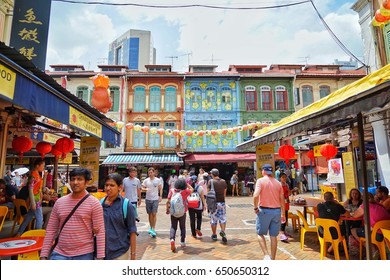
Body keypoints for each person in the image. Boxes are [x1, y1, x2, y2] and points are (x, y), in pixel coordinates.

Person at [40, 168, 105, 260]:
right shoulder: (59, 202)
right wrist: (44, 254)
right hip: (60, 253)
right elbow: (51, 230)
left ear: (86, 182)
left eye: (79, 179)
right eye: (73, 179)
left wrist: (100, 257)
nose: (75, 182)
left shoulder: (94, 203)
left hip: (84, 253)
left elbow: (100, 232)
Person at [101, 173, 137, 260]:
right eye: (106, 185)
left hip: (120, 252)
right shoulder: (100, 204)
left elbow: (132, 231)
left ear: (120, 187)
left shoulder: (126, 205)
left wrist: (133, 255)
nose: (108, 188)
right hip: (101, 253)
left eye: (112, 185)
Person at [253, 164, 285, 260]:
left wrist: (255, 207)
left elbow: (255, 195)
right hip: (276, 211)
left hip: (264, 211)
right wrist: (283, 213)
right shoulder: (278, 183)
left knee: (260, 234)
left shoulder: (260, 181)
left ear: (264, 171)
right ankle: (273, 258)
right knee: (273, 236)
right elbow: (282, 199)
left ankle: (266, 255)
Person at [16, 159, 46, 236]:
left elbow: (38, 188)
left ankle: (19, 233)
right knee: (39, 218)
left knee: (28, 217)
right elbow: (30, 189)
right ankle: (37, 236)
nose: (43, 167)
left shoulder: (37, 174)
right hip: (35, 199)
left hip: (37, 198)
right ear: (37, 166)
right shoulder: (33, 175)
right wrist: (33, 202)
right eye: (43, 165)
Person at [166, 178, 192, 252]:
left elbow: (168, 201)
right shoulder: (185, 192)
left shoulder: (172, 190)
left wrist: (167, 209)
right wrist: (187, 184)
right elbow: (192, 189)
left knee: (173, 227)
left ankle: (172, 239)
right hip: (182, 212)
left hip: (173, 212)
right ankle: (182, 242)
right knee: (182, 227)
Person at [207, 168, 228, 243]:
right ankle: (222, 231)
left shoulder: (211, 181)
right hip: (222, 202)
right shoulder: (223, 181)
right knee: (222, 218)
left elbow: (208, 193)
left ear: (212, 174)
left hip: (213, 203)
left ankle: (214, 234)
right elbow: (224, 193)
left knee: (213, 220)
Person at [141, 167, 162, 238]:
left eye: (151, 172)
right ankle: (150, 227)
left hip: (155, 199)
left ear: (154, 173)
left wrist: (160, 196)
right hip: (148, 199)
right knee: (149, 214)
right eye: (149, 173)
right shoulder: (146, 181)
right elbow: (142, 188)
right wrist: (145, 189)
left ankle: (153, 228)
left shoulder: (157, 180)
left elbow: (160, 188)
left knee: (154, 213)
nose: (150, 174)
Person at [279, 172, 291, 243]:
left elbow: (288, 193)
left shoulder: (286, 184)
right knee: (282, 216)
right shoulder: (279, 185)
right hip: (281, 203)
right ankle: (281, 232)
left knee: (285, 216)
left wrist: (291, 191)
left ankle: (283, 230)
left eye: (285, 177)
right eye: (283, 177)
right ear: (280, 178)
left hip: (286, 202)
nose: (284, 178)